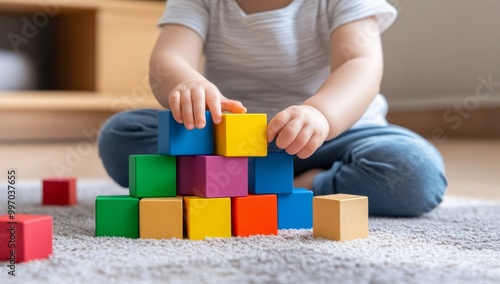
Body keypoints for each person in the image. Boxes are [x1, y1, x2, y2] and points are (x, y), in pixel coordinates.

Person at [98, 0, 447, 217]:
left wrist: (321, 114)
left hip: (337, 137)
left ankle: (305, 185)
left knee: (415, 172)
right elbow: (169, 57)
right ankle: (250, 181)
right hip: (229, 145)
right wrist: (187, 84)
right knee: (121, 136)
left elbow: (360, 63)